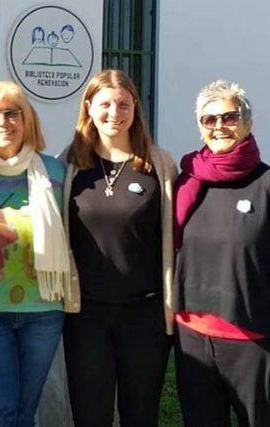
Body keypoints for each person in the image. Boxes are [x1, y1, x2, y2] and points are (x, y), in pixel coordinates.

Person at [173, 80, 270, 427]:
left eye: (229, 117)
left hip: (253, 341)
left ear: (247, 123)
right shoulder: (187, 182)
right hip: (192, 338)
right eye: (209, 119)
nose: (219, 126)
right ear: (200, 127)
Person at [59, 69, 176, 426]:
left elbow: (177, 234)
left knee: (140, 414)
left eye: (123, 104)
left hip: (146, 313)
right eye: (105, 104)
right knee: (89, 413)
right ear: (89, 107)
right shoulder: (70, 163)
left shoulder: (159, 164)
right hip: (85, 315)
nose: (115, 113)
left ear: (135, 108)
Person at [0, 80, 71, 426]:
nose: (2, 123)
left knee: (25, 413)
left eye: (11, 113)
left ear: (27, 120)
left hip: (44, 311)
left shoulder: (54, 171)